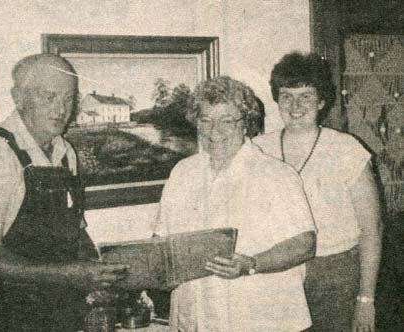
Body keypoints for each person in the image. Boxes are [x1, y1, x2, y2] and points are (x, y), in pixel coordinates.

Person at [0, 53, 127, 332]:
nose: (61, 109)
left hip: (52, 314)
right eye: (49, 97)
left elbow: (74, 230)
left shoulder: (65, 152)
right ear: (18, 97)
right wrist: (69, 275)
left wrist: (98, 274)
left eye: (68, 98)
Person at [154, 76, 317, 332]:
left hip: (258, 318)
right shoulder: (182, 172)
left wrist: (251, 264)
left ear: (245, 125)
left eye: (226, 121)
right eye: (205, 120)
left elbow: (304, 244)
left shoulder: (276, 175)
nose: (214, 131)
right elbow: (161, 240)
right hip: (194, 316)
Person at [252, 52, 382, 332]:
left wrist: (366, 299)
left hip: (334, 276)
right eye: (286, 96)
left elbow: (372, 230)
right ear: (277, 99)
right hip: (278, 272)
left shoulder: (346, 150)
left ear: (321, 101)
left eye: (306, 96)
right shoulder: (258, 149)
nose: (295, 106)